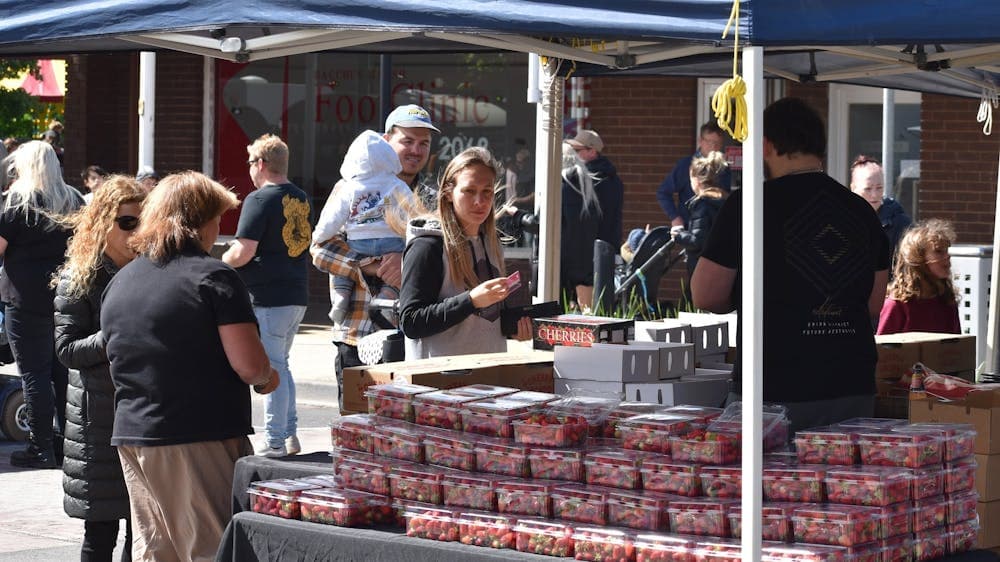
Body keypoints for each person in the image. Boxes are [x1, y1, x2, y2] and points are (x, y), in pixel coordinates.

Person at [101, 171, 278, 561]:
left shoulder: (122, 279)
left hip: (133, 432)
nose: (220, 228)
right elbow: (250, 366)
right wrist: (269, 379)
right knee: (210, 549)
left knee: (156, 551)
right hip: (195, 433)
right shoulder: (214, 276)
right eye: (217, 218)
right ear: (201, 221)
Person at [692, 97, 890, 433]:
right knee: (842, 485)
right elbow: (873, 303)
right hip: (851, 384)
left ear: (766, 144)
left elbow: (706, 295)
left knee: (770, 485)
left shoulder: (750, 204)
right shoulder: (862, 212)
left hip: (774, 388)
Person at [311, 104, 438, 407]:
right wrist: (369, 266)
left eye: (424, 143)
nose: (415, 150)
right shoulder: (351, 186)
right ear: (385, 141)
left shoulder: (431, 197)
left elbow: (443, 255)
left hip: (415, 338)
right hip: (357, 334)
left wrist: (406, 260)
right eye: (407, 141)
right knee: (357, 430)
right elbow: (318, 249)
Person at [53, 175, 145, 562]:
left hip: (142, 412)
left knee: (142, 529)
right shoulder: (79, 278)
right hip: (99, 420)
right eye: (127, 222)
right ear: (102, 222)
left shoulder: (149, 271)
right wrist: (114, 336)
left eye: (143, 221)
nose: (136, 231)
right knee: (102, 530)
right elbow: (66, 349)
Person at [222, 134, 312, 458]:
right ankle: (289, 435)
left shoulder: (259, 199)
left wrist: (219, 263)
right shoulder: (300, 197)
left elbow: (244, 251)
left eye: (250, 163)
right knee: (283, 366)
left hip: (269, 296)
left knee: (273, 368)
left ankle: (275, 439)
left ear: (260, 164)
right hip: (296, 294)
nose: (249, 170)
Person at [399, 147, 532, 359]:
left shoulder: (491, 243)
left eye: (487, 192)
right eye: (469, 191)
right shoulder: (428, 245)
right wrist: (470, 301)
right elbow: (411, 321)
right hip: (438, 383)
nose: (480, 201)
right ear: (448, 193)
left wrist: (514, 327)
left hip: (488, 376)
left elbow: (487, 319)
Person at [0, 140, 84, 468]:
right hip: (66, 296)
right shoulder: (74, 200)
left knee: (33, 374)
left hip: (24, 300)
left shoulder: (15, 203)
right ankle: (67, 443)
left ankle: (40, 447)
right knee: (62, 372)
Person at [311, 129, 414, 324]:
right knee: (395, 276)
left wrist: (319, 235)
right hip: (390, 242)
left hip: (358, 242)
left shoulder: (350, 187)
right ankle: (387, 295)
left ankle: (341, 296)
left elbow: (332, 219)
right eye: (408, 140)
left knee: (341, 270)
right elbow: (414, 213)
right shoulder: (397, 185)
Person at [877, 219, 961, 335]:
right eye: (938, 251)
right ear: (918, 258)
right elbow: (882, 349)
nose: (947, 256)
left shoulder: (947, 301)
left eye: (946, 251)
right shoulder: (897, 305)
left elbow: (957, 347)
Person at [657, 121, 732, 228]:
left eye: (717, 143)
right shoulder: (687, 165)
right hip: (692, 227)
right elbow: (663, 192)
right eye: (709, 142)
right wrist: (675, 217)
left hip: (716, 227)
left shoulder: (723, 168)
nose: (713, 147)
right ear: (700, 141)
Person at [671, 150, 730, 282]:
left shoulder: (702, 204)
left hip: (702, 267)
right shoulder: (724, 200)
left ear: (696, 180)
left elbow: (697, 240)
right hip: (722, 264)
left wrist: (678, 235)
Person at [559, 141, 602, 312]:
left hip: (562, 258)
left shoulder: (561, 185)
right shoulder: (587, 186)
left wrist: (520, 217)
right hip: (585, 257)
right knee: (588, 315)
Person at [565, 129, 624, 250]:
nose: (573, 154)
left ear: (592, 151)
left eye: (576, 150)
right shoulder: (613, 178)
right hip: (607, 245)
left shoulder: (589, 179)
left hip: (592, 247)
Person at [850, 155, 912, 258]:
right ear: (853, 188)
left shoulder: (901, 225)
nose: (874, 195)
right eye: (868, 189)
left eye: (879, 188)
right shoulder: (840, 220)